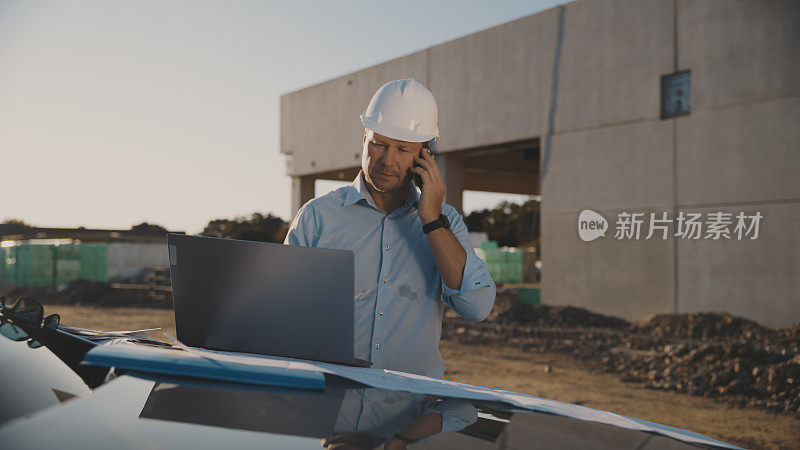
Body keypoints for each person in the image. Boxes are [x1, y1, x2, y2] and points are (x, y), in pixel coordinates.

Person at [284, 78, 496, 378]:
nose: (387, 160)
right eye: (379, 144)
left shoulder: (446, 222)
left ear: (424, 156)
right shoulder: (317, 217)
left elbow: (476, 308)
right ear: (364, 139)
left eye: (402, 149)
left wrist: (432, 220)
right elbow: (283, 312)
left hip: (410, 413)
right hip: (333, 405)